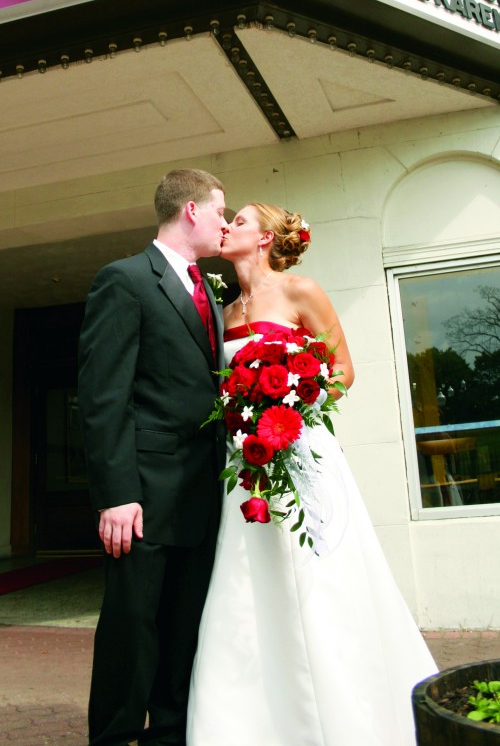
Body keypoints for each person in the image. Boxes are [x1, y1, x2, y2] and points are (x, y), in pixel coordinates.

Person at [187, 202, 438, 746]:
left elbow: (344, 369)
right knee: (248, 574)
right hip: (247, 462)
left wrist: (296, 404)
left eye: (239, 221)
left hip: (302, 451)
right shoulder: (226, 310)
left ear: (264, 239)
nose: (226, 227)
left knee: (320, 573)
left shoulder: (302, 291)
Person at [78, 168, 228, 746]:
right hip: (142, 496)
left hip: (200, 494)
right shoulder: (124, 280)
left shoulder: (209, 290)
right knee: (130, 634)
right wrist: (116, 494)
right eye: (220, 211)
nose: (224, 222)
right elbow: (103, 394)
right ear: (191, 211)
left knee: (182, 635)